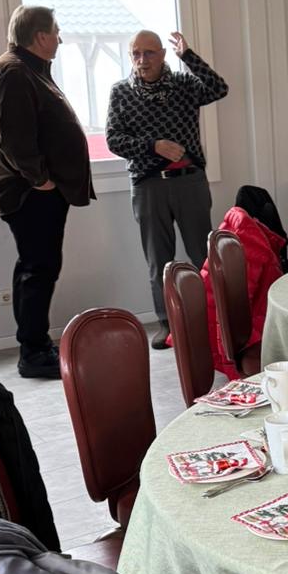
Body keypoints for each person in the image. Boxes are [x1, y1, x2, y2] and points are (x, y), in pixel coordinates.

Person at [0, 5, 93, 379]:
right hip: (30, 194)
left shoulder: (28, 69)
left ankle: (35, 344)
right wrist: (40, 180)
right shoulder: (15, 72)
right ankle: (33, 352)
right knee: (38, 269)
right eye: (56, 31)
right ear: (41, 36)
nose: (60, 38)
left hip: (37, 192)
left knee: (36, 267)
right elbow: (14, 138)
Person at [106, 30, 228, 349]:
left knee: (202, 255)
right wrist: (153, 146)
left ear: (162, 55)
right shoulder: (121, 92)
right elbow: (113, 140)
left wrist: (188, 56)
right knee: (159, 260)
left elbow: (219, 88)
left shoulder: (184, 85)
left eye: (149, 53)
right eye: (136, 53)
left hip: (189, 182)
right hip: (148, 186)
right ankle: (167, 323)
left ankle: (215, 318)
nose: (142, 60)